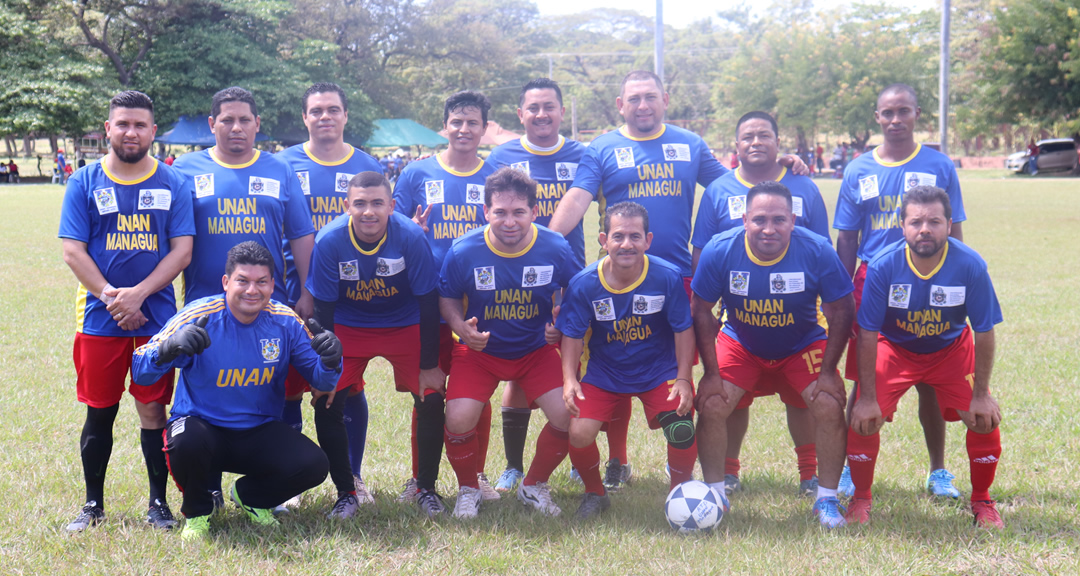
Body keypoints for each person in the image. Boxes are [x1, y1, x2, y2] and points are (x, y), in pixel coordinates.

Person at [548, 71, 807, 489]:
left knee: (680, 375)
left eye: (650, 97)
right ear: (620, 104)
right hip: (617, 278)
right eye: (634, 99)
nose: (643, 105)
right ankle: (618, 460)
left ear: (665, 99)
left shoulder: (689, 144)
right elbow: (578, 198)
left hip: (677, 278)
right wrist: (544, 243)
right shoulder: (603, 148)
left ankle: (684, 462)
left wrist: (782, 169)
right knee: (613, 360)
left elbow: (731, 183)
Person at [131, 241, 343, 540]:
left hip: (258, 430)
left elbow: (323, 380)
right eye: (242, 281)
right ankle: (198, 513)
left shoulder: (284, 321)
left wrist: (333, 360)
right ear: (226, 282)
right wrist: (168, 348)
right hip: (202, 427)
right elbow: (140, 370)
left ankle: (252, 497)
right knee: (186, 441)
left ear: (272, 284)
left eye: (261, 282)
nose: (251, 291)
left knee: (314, 464)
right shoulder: (199, 315)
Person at [58, 90, 195, 532]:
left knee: (154, 411)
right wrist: (113, 298)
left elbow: (182, 251)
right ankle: (92, 505)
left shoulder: (173, 182)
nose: (131, 132)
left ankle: (158, 504)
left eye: (140, 125)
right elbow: (73, 251)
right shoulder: (84, 181)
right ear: (108, 130)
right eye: (123, 124)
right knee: (100, 411)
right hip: (100, 322)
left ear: (153, 132)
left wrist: (138, 295)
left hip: (155, 321)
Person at [172, 86, 315, 505]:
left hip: (271, 306)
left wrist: (306, 292)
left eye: (245, 120)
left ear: (257, 125)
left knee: (279, 387)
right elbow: (173, 238)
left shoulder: (279, 169)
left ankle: (273, 483)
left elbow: (301, 234)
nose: (236, 127)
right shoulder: (184, 169)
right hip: (206, 308)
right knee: (209, 394)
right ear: (212, 124)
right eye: (227, 120)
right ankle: (207, 485)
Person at [692, 181, 855, 528]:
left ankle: (826, 498)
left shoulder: (817, 250)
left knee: (828, 403)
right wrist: (710, 372)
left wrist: (828, 371)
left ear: (793, 220)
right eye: (759, 219)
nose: (769, 228)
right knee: (711, 403)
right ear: (743, 218)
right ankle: (715, 493)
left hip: (801, 345)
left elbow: (842, 310)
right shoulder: (719, 250)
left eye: (779, 219)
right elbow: (702, 310)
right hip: (742, 343)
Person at [834, 83, 967, 499]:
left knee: (930, 374)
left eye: (903, 111)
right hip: (873, 281)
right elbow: (848, 237)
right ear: (877, 118)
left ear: (916, 113)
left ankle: (938, 471)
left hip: (929, 280)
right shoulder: (858, 169)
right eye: (887, 113)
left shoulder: (939, 164)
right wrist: (841, 291)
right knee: (863, 377)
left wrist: (959, 278)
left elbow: (955, 228)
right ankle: (845, 468)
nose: (895, 120)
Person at [690, 111, 831, 497]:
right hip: (739, 313)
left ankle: (810, 474)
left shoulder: (804, 185)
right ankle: (728, 473)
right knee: (730, 398)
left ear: (778, 141)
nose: (756, 142)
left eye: (764, 135)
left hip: (800, 315)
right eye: (747, 136)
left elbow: (822, 252)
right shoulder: (718, 190)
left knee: (803, 397)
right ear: (735, 146)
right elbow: (701, 253)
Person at [845, 186, 1004, 529]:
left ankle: (982, 500)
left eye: (934, 221)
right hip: (895, 348)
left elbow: (985, 330)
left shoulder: (971, 265)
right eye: (915, 222)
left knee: (984, 419)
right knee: (864, 416)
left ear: (949, 224)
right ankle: (860, 497)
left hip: (949, 350)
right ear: (901, 225)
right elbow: (869, 333)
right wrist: (868, 397)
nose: (924, 229)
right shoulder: (883, 265)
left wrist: (982, 394)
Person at [437, 167, 578, 518]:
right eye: (500, 212)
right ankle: (469, 489)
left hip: (535, 350)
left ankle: (534, 485)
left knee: (570, 415)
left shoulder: (556, 247)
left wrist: (560, 322)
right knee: (457, 418)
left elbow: (577, 292)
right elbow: (448, 298)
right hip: (480, 352)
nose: (509, 221)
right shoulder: (463, 250)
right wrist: (459, 326)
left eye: (519, 212)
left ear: (534, 211)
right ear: (486, 212)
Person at [305, 171, 443, 518]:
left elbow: (429, 301)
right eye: (360, 203)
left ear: (392, 206)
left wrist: (428, 364)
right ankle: (346, 492)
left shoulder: (410, 236)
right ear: (346, 206)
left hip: (404, 321)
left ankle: (425, 487)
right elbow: (324, 308)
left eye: (378, 203)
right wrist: (328, 369)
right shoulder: (330, 239)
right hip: (349, 325)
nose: (369, 212)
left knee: (432, 394)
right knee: (326, 397)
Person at [277, 82, 384, 508]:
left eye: (333, 110)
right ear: (304, 117)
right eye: (316, 110)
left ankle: (353, 477)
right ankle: (288, 479)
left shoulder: (366, 162)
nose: (325, 117)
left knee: (348, 386)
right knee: (286, 386)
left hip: (350, 297)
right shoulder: (284, 163)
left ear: (345, 116)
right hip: (292, 291)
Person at [556, 201, 697, 519]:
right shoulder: (584, 283)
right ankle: (595, 493)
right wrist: (569, 379)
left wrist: (685, 378)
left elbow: (683, 329)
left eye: (635, 236)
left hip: (657, 369)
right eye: (618, 236)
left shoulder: (666, 276)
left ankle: (679, 493)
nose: (626, 244)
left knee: (681, 426)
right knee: (578, 432)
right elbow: (573, 336)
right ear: (603, 240)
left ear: (648, 240)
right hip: (605, 372)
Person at [393, 90, 499, 506]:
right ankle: (422, 479)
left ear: (484, 128)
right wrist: (411, 231)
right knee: (429, 391)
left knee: (476, 393)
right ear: (445, 126)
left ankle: (475, 477)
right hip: (427, 303)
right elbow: (394, 229)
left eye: (473, 122)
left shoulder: (495, 176)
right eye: (457, 121)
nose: (464, 129)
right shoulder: (416, 174)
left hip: (480, 305)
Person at [485, 78, 588, 493]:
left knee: (575, 365)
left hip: (568, 276)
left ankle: (580, 457)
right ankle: (512, 465)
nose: (542, 114)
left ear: (562, 111)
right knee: (518, 370)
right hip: (514, 280)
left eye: (550, 107)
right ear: (520, 114)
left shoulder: (583, 154)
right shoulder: (501, 155)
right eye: (534, 108)